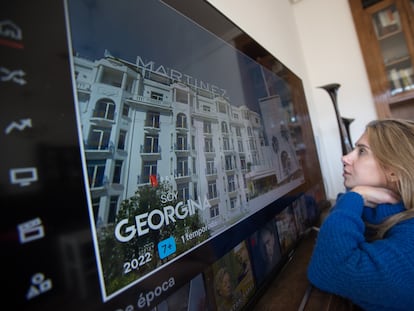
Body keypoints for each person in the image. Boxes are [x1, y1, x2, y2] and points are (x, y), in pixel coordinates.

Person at [307, 119, 414, 311]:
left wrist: (357, 195)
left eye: (362, 151)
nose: (345, 158)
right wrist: (357, 196)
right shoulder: (380, 212)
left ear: (394, 172)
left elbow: (331, 267)